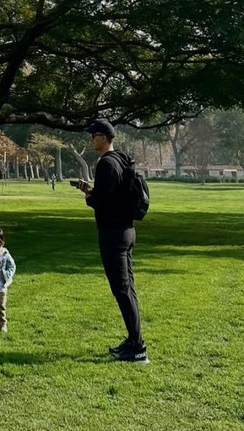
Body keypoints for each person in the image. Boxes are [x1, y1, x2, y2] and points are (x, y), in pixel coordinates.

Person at [78, 119, 149, 364]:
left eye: (94, 136)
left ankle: (138, 348)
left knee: (122, 290)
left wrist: (89, 197)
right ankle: (133, 340)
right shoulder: (121, 159)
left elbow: (102, 201)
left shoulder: (106, 163)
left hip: (113, 234)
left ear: (104, 138)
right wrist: (94, 193)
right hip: (127, 231)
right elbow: (114, 195)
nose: (91, 140)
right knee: (128, 289)